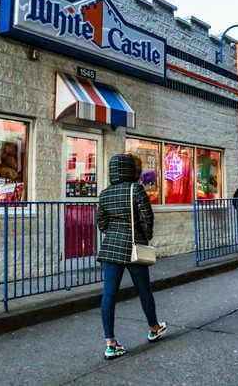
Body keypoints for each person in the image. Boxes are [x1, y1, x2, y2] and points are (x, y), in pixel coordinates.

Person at [96, 153, 167, 360]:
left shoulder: (105, 193)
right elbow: (147, 217)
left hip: (111, 247)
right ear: (131, 170)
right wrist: (145, 237)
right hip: (134, 245)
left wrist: (114, 233)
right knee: (144, 290)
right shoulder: (135, 189)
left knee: (108, 295)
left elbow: (102, 223)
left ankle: (110, 343)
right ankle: (154, 328)